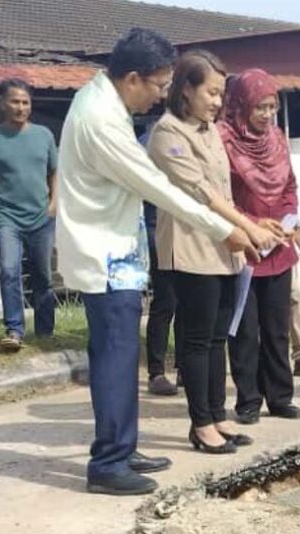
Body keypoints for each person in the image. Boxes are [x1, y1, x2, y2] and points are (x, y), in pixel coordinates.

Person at [55, 28, 257, 496]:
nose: (162, 94)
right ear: (131, 78)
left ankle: (122, 448)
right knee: (115, 358)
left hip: (116, 251)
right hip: (103, 257)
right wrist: (225, 229)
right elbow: (160, 187)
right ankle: (108, 463)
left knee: (122, 360)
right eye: (159, 84)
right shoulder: (102, 122)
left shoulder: (104, 100)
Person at [148, 51, 287, 455]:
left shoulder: (209, 130)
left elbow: (226, 194)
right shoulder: (168, 134)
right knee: (195, 339)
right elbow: (202, 196)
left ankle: (218, 414)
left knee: (215, 339)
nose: (216, 101)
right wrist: (248, 228)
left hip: (226, 250)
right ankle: (200, 424)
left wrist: (254, 224)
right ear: (186, 89)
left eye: (220, 94)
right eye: (209, 92)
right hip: (191, 249)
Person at [220, 69, 300, 425]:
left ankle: (281, 396)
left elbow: (289, 186)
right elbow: (219, 196)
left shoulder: (277, 138)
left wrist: (290, 219)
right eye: (260, 107)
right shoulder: (223, 141)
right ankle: (248, 399)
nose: (268, 114)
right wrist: (252, 226)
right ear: (241, 106)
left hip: (279, 248)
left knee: (277, 326)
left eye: (273, 106)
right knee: (245, 329)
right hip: (245, 248)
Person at [0, 79, 58, 353]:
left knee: (43, 275)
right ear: (2, 104)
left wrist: (54, 203)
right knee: (9, 270)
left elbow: (54, 172)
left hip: (41, 216)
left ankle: (45, 330)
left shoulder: (44, 135)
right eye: (15, 102)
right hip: (6, 216)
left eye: (25, 102)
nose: (21, 107)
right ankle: (14, 329)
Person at [140, 123, 182, 397]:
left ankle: (185, 368)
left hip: (191, 227)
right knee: (166, 300)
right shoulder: (149, 139)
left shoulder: (193, 134)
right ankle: (156, 372)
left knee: (191, 303)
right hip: (159, 225)